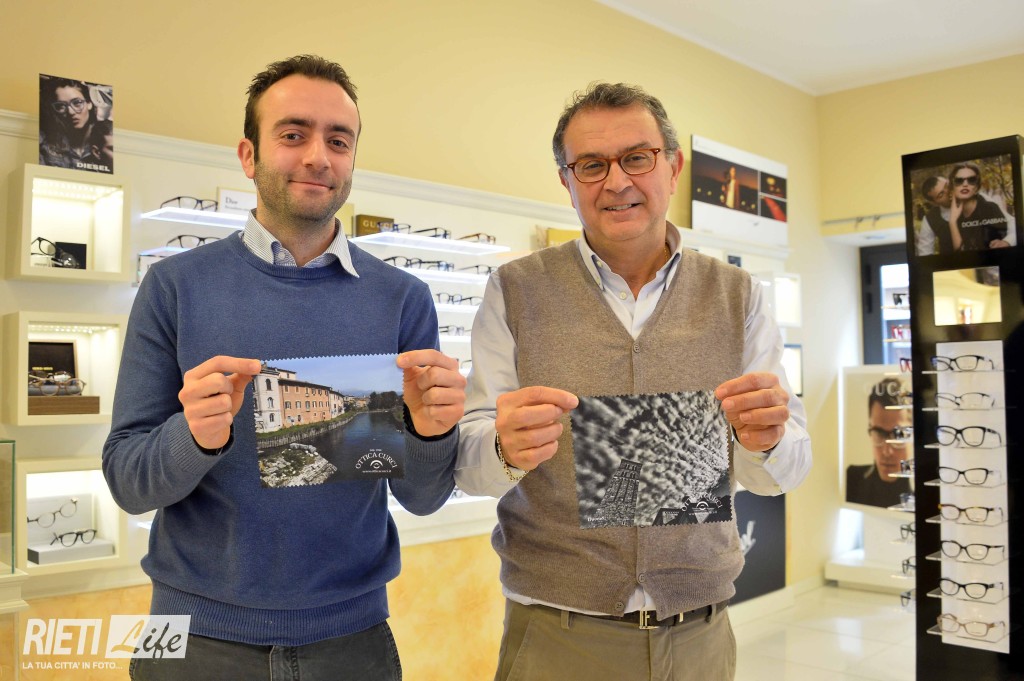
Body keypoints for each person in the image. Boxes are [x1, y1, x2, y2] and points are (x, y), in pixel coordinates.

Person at [103, 54, 466, 680]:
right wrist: (194, 437)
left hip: (352, 640)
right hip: (189, 635)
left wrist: (432, 434)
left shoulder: (403, 299)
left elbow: (424, 497)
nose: (318, 157)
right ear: (249, 156)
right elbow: (128, 483)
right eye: (293, 134)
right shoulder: (174, 287)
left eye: (339, 141)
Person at [455, 82, 811, 681]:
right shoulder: (515, 291)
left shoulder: (738, 296)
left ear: (673, 168)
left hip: (699, 636)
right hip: (557, 636)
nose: (616, 181)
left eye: (637, 158)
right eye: (591, 165)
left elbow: (779, 475)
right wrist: (502, 449)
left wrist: (767, 442)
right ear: (566, 181)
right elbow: (468, 466)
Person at [845, 377, 912, 507]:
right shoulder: (851, 480)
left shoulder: (927, 495)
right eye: (879, 434)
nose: (887, 451)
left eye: (898, 435)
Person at [38, 77, 103, 172]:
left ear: (89, 103)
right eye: (60, 106)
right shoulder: (44, 146)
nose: (71, 112)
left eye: (77, 103)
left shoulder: (105, 143)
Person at [948, 162, 1013, 251]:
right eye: (959, 181)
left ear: (976, 187)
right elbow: (958, 250)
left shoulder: (990, 208)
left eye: (971, 180)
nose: (965, 184)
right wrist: (952, 221)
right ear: (952, 187)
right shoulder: (953, 215)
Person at [915, 175, 953, 255]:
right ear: (935, 203)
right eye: (941, 194)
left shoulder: (976, 199)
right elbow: (925, 252)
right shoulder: (930, 219)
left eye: (947, 185)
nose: (948, 191)